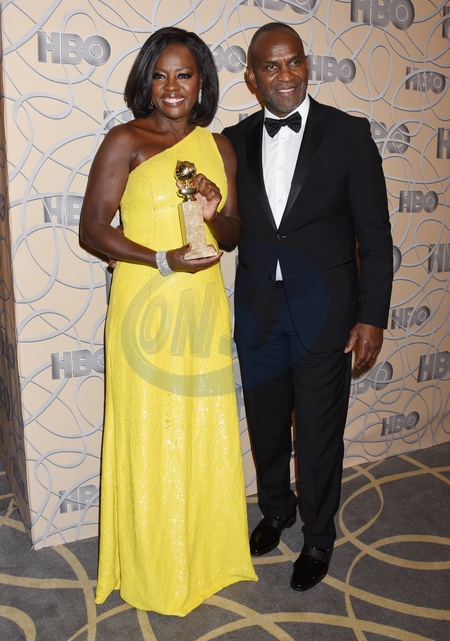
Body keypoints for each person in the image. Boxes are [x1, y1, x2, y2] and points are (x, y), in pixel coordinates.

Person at [79, 26, 257, 616]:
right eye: (160, 75)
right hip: (146, 302)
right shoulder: (126, 140)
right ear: (146, 82)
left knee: (201, 429)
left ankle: (205, 557)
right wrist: (162, 259)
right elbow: (92, 229)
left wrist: (212, 209)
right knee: (150, 433)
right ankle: (153, 566)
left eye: (184, 75)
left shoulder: (220, 148)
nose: (172, 87)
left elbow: (231, 234)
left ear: (202, 82)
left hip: (202, 307)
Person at [222, 22, 393, 592]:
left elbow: (375, 233)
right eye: (271, 66)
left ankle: (318, 537)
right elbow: (224, 225)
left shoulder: (348, 134)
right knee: (267, 426)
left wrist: (372, 315)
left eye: (294, 61)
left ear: (306, 64)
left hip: (327, 315)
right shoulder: (232, 141)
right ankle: (276, 510)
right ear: (252, 77)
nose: (286, 74)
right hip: (259, 312)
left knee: (319, 434)